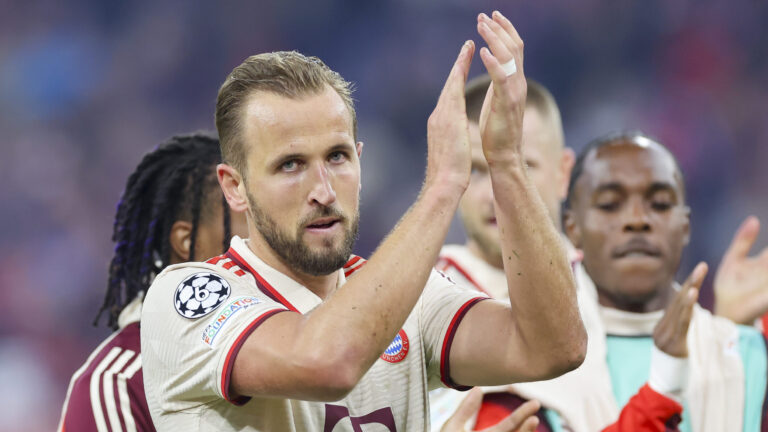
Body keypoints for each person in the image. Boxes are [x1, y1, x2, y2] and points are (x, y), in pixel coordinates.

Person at [140, 11, 586, 431]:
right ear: (235, 187)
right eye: (290, 165)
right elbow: (329, 362)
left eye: (337, 157)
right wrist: (442, 187)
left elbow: (553, 347)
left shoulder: (408, 294)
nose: (324, 190)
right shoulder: (188, 299)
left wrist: (506, 161)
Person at [431, 76, 687, 432]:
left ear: (564, 173)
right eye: (476, 170)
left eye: (518, 166)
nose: (494, 193)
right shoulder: (420, 299)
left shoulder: (615, 291)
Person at [564, 131, 768, 432]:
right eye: (609, 204)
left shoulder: (746, 353)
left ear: (685, 227)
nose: (637, 219)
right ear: (573, 228)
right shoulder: (530, 367)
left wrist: (733, 332)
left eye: (659, 204)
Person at [57, 134, 247, 432]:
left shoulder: (298, 339)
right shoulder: (120, 383)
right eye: (250, 227)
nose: (265, 244)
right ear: (188, 241)